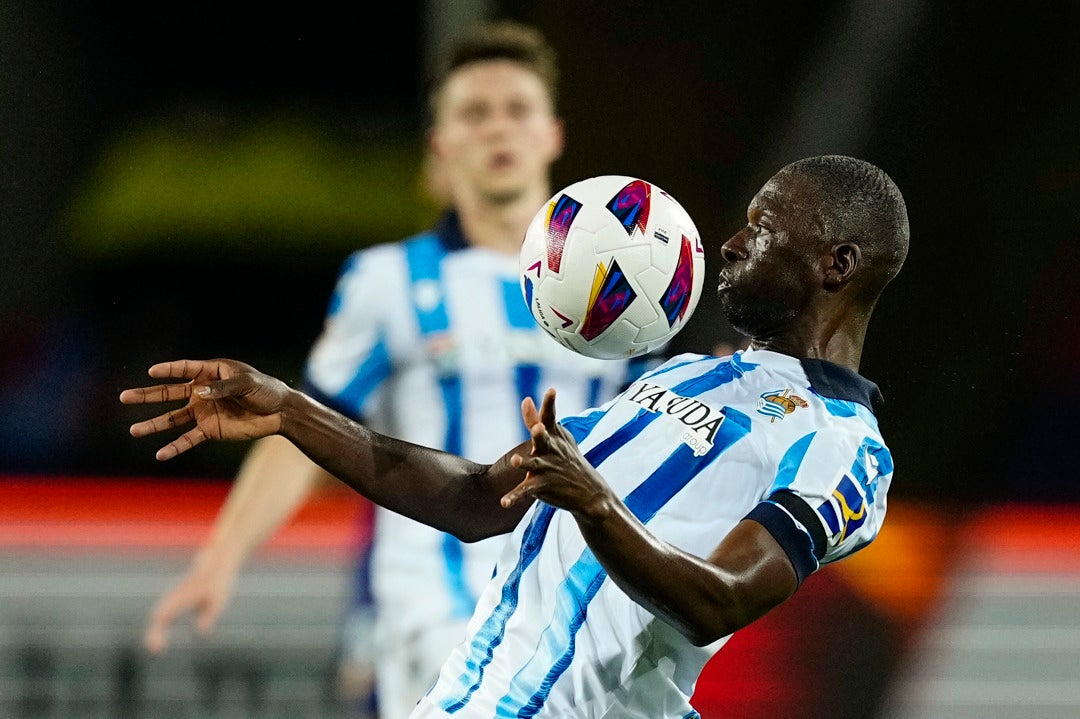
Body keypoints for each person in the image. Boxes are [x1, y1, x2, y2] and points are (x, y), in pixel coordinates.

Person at [122, 154, 909, 718]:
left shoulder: (845, 449)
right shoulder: (683, 378)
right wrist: (292, 410)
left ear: (836, 263)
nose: (732, 243)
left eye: (762, 227)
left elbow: (722, 598)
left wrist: (594, 504)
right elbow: (478, 499)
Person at [138, 19, 645, 719]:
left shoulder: (622, 289)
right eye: (475, 112)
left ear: (553, 134)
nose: (499, 128)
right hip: (436, 620)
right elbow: (302, 429)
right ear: (442, 145)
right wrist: (220, 555)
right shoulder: (388, 283)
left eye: (517, 110)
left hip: (583, 617)